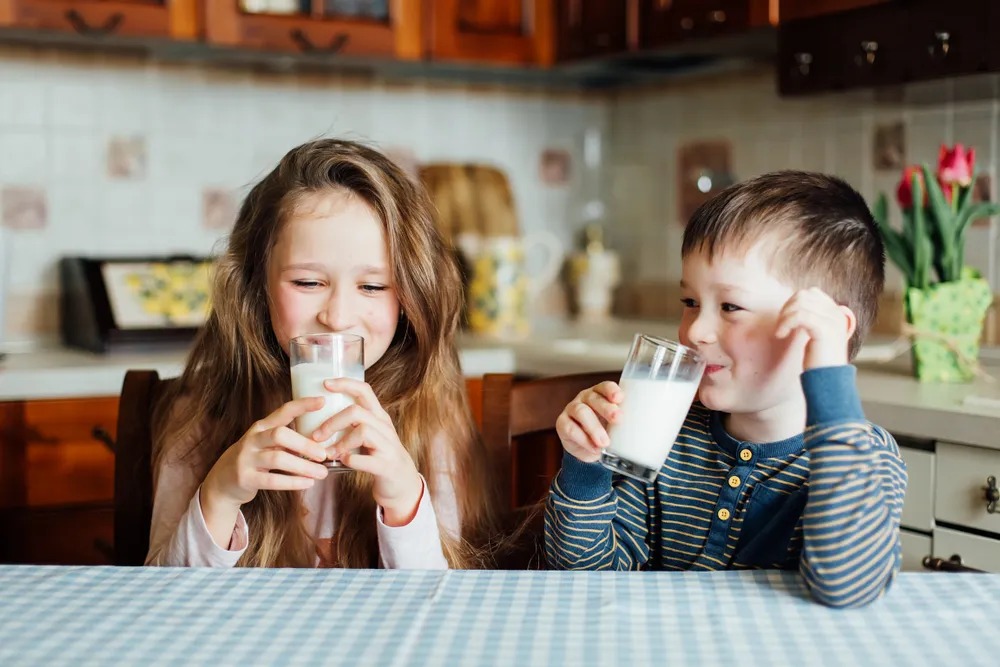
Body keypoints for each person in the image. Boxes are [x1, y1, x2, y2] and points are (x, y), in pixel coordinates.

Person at [544, 171, 908, 607]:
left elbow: (847, 587)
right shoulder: (669, 436)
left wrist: (829, 375)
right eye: (690, 302)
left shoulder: (861, 455)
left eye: (731, 306)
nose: (696, 330)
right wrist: (586, 469)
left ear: (824, 330)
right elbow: (582, 578)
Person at [147, 138, 501, 568]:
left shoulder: (432, 420)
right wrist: (220, 494)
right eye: (308, 283)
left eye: (372, 286)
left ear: (410, 296)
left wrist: (404, 499)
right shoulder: (203, 418)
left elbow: (440, 609)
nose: (337, 316)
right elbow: (164, 601)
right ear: (256, 286)